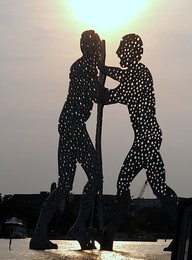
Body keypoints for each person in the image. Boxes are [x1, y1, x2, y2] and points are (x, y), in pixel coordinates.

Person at [99, 34, 178, 250]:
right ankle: (182, 228)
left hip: (147, 138)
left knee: (124, 183)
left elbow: (121, 92)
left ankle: (111, 233)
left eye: (121, 50)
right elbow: (120, 79)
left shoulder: (141, 73)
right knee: (159, 187)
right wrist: (103, 70)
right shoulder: (134, 73)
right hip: (146, 138)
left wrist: (104, 86)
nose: (117, 53)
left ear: (132, 52)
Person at [30, 30, 107, 250]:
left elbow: (97, 93)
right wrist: (119, 93)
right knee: (92, 176)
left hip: (72, 125)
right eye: (94, 49)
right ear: (88, 49)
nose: (96, 52)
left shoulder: (87, 68)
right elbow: (97, 95)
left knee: (67, 183)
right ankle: (76, 227)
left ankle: (44, 233)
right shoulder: (82, 68)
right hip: (72, 126)